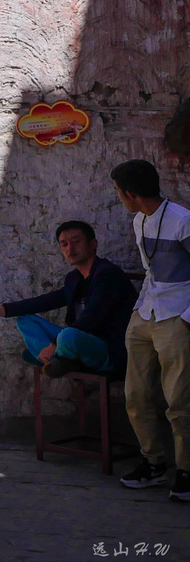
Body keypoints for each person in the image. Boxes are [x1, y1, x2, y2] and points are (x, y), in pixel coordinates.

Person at [111, 159, 190, 498]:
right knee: (136, 395)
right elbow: (149, 270)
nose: (119, 198)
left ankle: (186, 471)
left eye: (119, 193)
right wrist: (137, 311)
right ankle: (154, 463)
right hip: (146, 313)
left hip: (178, 315)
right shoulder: (138, 221)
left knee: (179, 399)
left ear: (130, 193)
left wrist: (188, 316)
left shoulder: (183, 220)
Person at [0, 221, 136, 376]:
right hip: (77, 343)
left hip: (108, 350)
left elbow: (92, 317)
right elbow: (43, 302)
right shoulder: (74, 279)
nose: (70, 248)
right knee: (26, 321)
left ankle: (60, 359)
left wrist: (53, 345)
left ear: (93, 244)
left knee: (68, 337)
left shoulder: (106, 273)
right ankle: (61, 361)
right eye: (64, 244)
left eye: (76, 242)